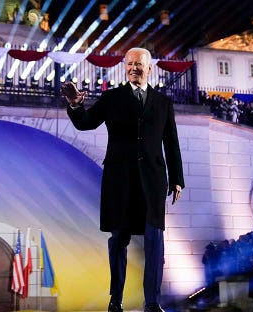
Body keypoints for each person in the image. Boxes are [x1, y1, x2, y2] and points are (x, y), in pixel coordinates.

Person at [62, 47, 185, 312]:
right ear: (125, 67)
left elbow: (171, 143)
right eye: (129, 64)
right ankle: (115, 300)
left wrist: (177, 179)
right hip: (120, 180)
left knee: (155, 240)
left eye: (139, 64)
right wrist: (75, 105)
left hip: (152, 181)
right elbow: (86, 123)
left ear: (149, 68)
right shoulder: (112, 98)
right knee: (118, 239)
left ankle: (152, 302)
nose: (133, 68)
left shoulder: (163, 103)